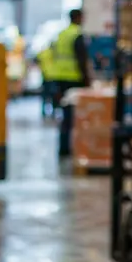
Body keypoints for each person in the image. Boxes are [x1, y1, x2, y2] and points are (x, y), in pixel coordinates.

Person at [40, 9, 89, 158]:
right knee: (74, 116)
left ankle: (63, 147)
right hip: (73, 79)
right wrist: (87, 79)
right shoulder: (77, 35)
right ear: (79, 18)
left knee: (65, 115)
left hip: (59, 78)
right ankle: (71, 148)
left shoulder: (62, 34)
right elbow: (81, 59)